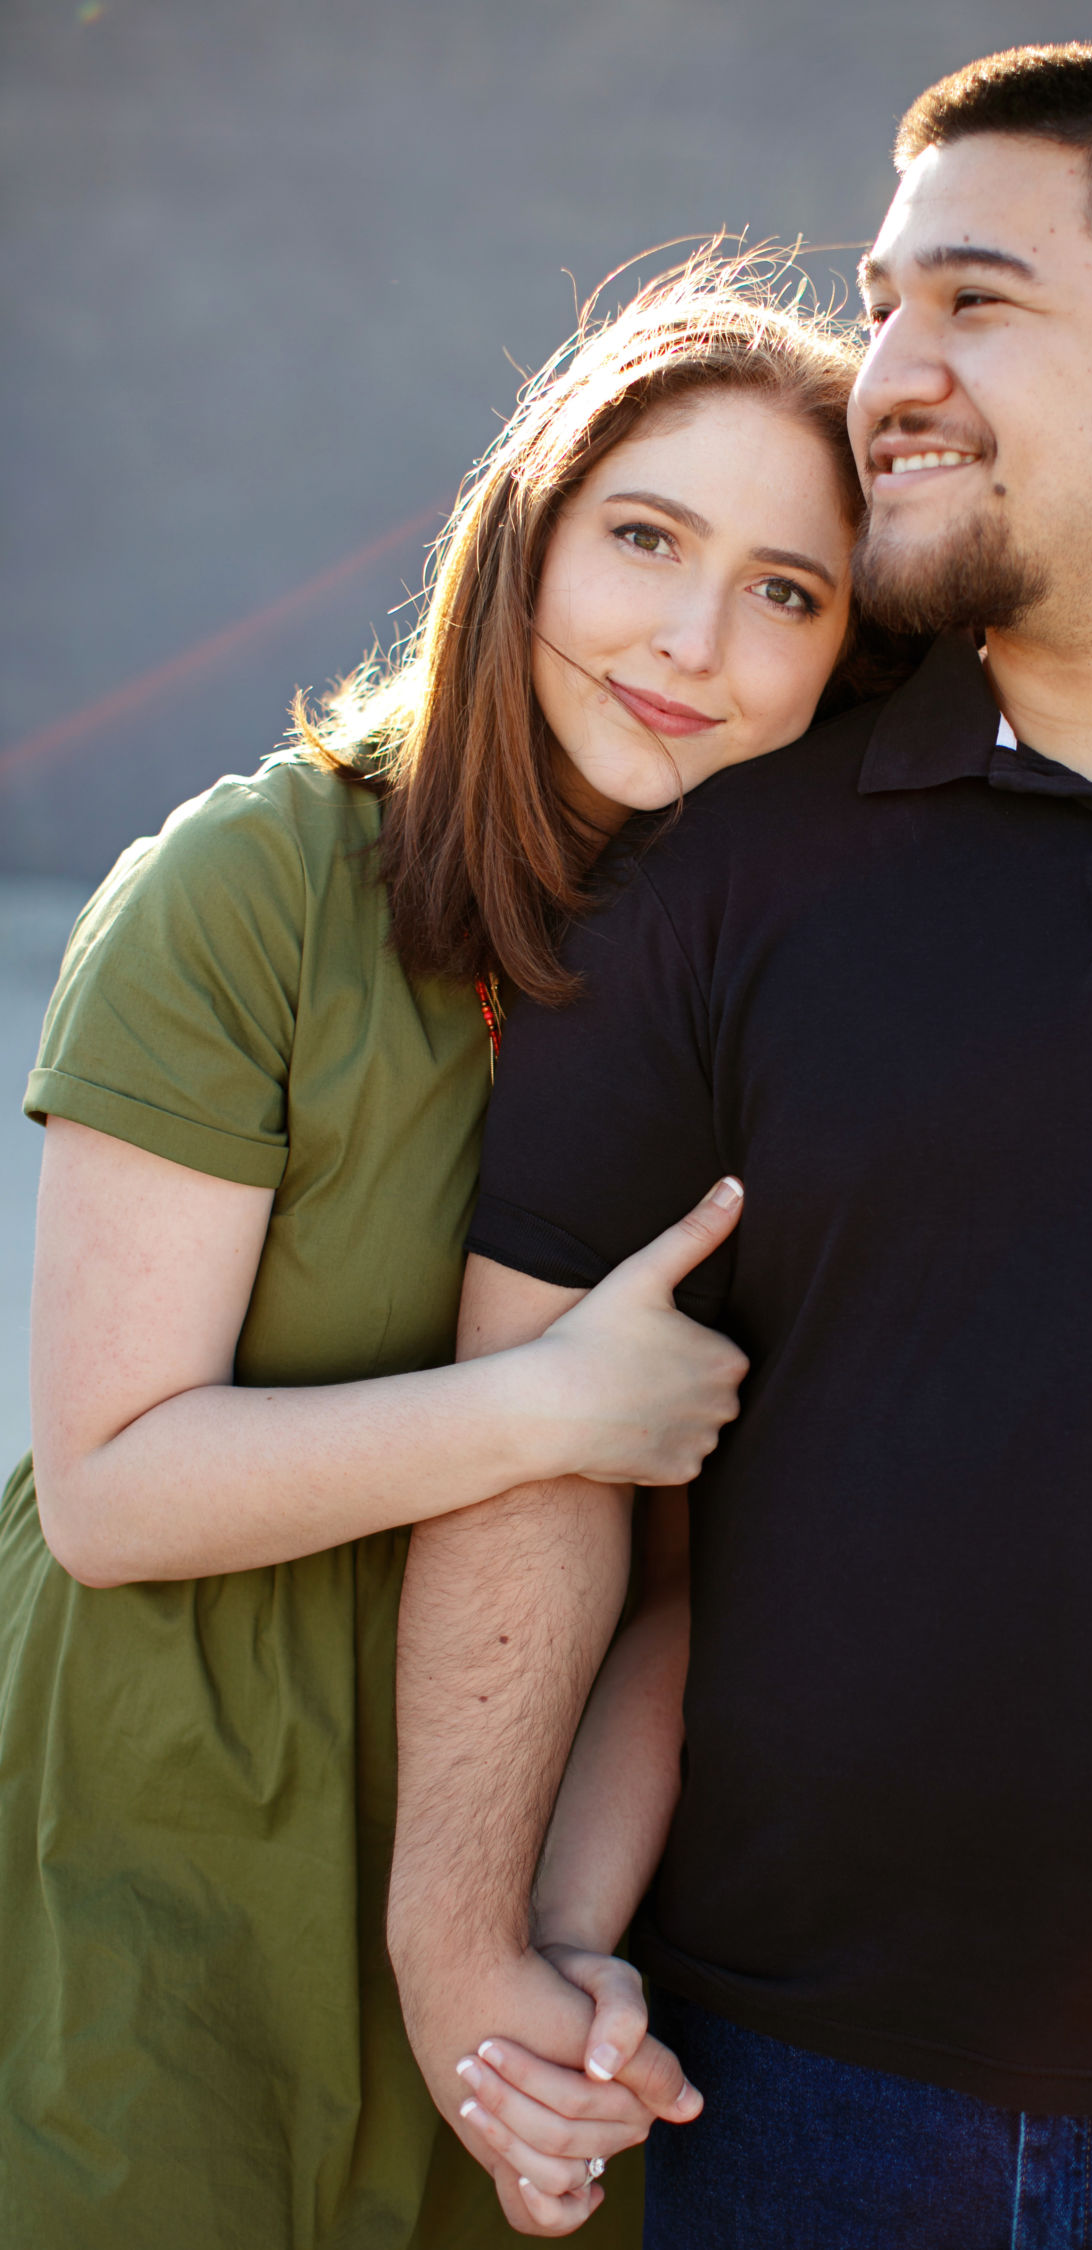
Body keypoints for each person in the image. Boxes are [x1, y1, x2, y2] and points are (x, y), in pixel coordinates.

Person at [390, 43, 1092, 2250]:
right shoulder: (728, 861)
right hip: (787, 2097)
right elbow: (535, 1442)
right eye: (885, 302)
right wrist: (462, 1935)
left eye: (974, 303)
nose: (886, 371)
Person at [0, 257, 898, 2248]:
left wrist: (539, 1943)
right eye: (645, 538)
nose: (691, 640)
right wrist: (547, 1410)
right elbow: (113, 1488)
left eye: (787, 590)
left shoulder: (790, 998)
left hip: (567, 1841)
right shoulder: (249, 889)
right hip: (170, 1822)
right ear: (525, 536)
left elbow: (699, 1582)